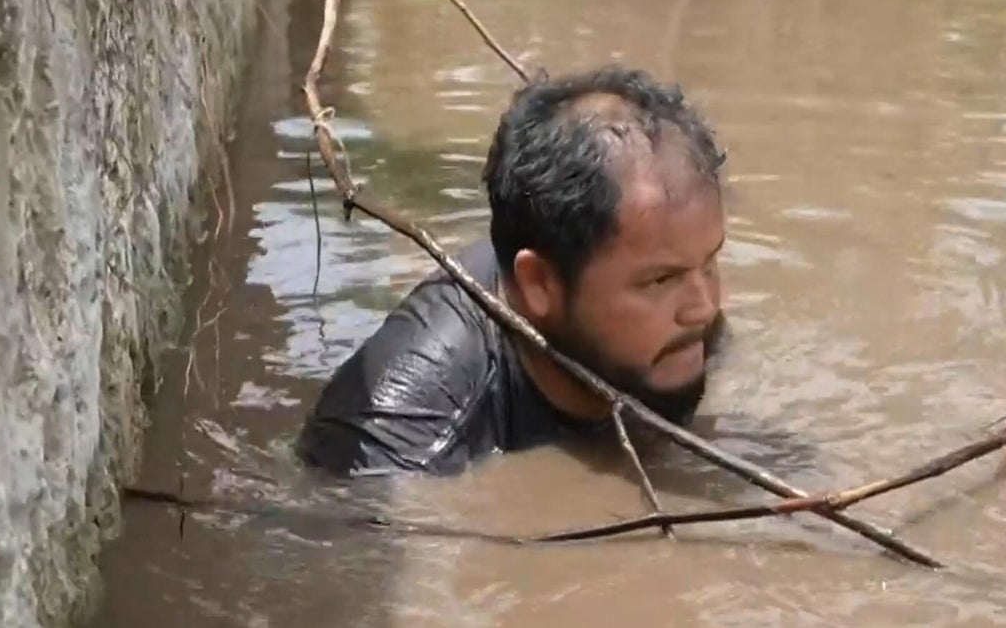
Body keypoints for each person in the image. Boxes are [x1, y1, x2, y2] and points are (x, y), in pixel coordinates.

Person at [296, 65, 730, 477]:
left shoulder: (673, 314)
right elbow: (344, 532)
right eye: (660, 280)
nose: (705, 308)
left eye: (710, 262)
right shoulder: (399, 436)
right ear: (539, 284)